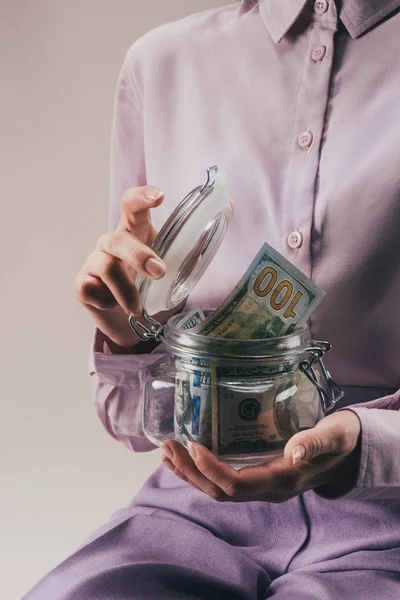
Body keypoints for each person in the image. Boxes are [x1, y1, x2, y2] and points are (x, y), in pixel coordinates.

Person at [23, 0, 400, 598]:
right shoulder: (163, 62)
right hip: (193, 503)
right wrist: (131, 335)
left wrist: (368, 442)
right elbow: (134, 420)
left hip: (388, 517)